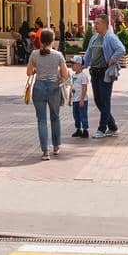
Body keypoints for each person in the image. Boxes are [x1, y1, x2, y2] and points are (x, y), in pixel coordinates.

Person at [26, 27, 70, 160]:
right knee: (55, 117)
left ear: (40, 40)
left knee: (41, 120)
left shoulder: (34, 54)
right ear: (53, 40)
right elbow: (65, 74)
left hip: (39, 87)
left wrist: (36, 70)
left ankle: (45, 151)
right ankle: (56, 146)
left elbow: (29, 72)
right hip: (54, 88)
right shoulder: (58, 55)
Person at [84, 7, 124, 138]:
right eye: (95, 23)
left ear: (106, 25)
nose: (95, 25)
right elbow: (89, 54)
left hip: (105, 73)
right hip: (94, 72)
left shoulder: (110, 37)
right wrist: (83, 64)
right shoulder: (94, 38)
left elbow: (121, 49)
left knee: (104, 100)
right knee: (98, 100)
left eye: (98, 23)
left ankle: (102, 129)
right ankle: (113, 127)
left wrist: (112, 59)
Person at [68, 54, 91, 137]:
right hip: (75, 100)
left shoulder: (83, 76)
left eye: (73, 64)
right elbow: (71, 87)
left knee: (83, 115)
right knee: (76, 115)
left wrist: (82, 99)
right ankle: (78, 129)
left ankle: (85, 130)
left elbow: (84, 88)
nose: (71, 66)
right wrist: (70, 98)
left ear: (79, 65)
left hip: (82, 100)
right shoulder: (73, 76)